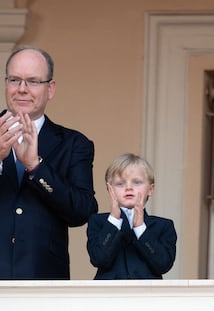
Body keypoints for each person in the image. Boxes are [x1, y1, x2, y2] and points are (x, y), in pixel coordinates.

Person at [0, 46, 98, 279]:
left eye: (33, 82)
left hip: (43, 282)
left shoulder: (74, 143)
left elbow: (82, 212)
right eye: (15, 80)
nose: (22, 89)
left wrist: (36, 167)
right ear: (6, 83)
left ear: (50, 89)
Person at [86, 153, 177, 279]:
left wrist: (140, 229)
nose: (128, 187)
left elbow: (163, 265)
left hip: (147, 296)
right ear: (109, 189)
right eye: (120, 184)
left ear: (150, 189)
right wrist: (114, 221)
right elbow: (99, 259)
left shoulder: (164, 226)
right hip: (109, 296)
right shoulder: (98, 221)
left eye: (137, 182)